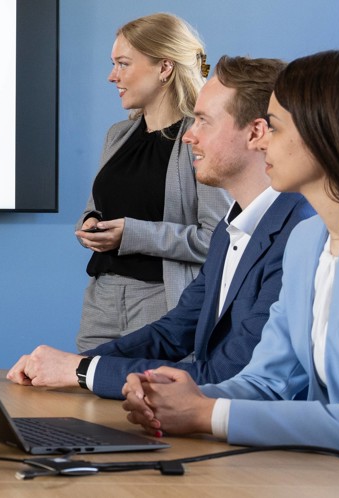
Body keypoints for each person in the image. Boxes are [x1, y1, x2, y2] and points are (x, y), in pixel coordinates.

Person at [121, 48, 339, 487]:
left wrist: (206, 413)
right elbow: (267, 382)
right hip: (325, 478)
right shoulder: (306, 241)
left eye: (275, 126)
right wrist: (175, 398)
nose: (262, 141)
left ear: (327, 132)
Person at [7, 56, 313, 399]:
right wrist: (74, 364)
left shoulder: (300, 234)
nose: (189, 136)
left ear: (255, 132)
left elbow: (228, 376)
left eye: (203, 122)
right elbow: (174, 332)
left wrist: (80, 370)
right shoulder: (232, 229)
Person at [75, 13, 231, 351]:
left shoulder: (199, 140)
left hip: (163, 301)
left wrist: (133, 234)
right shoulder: (117, 136)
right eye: (113, 64)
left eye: (123, 64)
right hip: (101, 299)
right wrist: (91, 224)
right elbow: (96, 208)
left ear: (164, 67)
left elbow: (218, 239)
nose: (112, 76)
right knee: (84, 383)